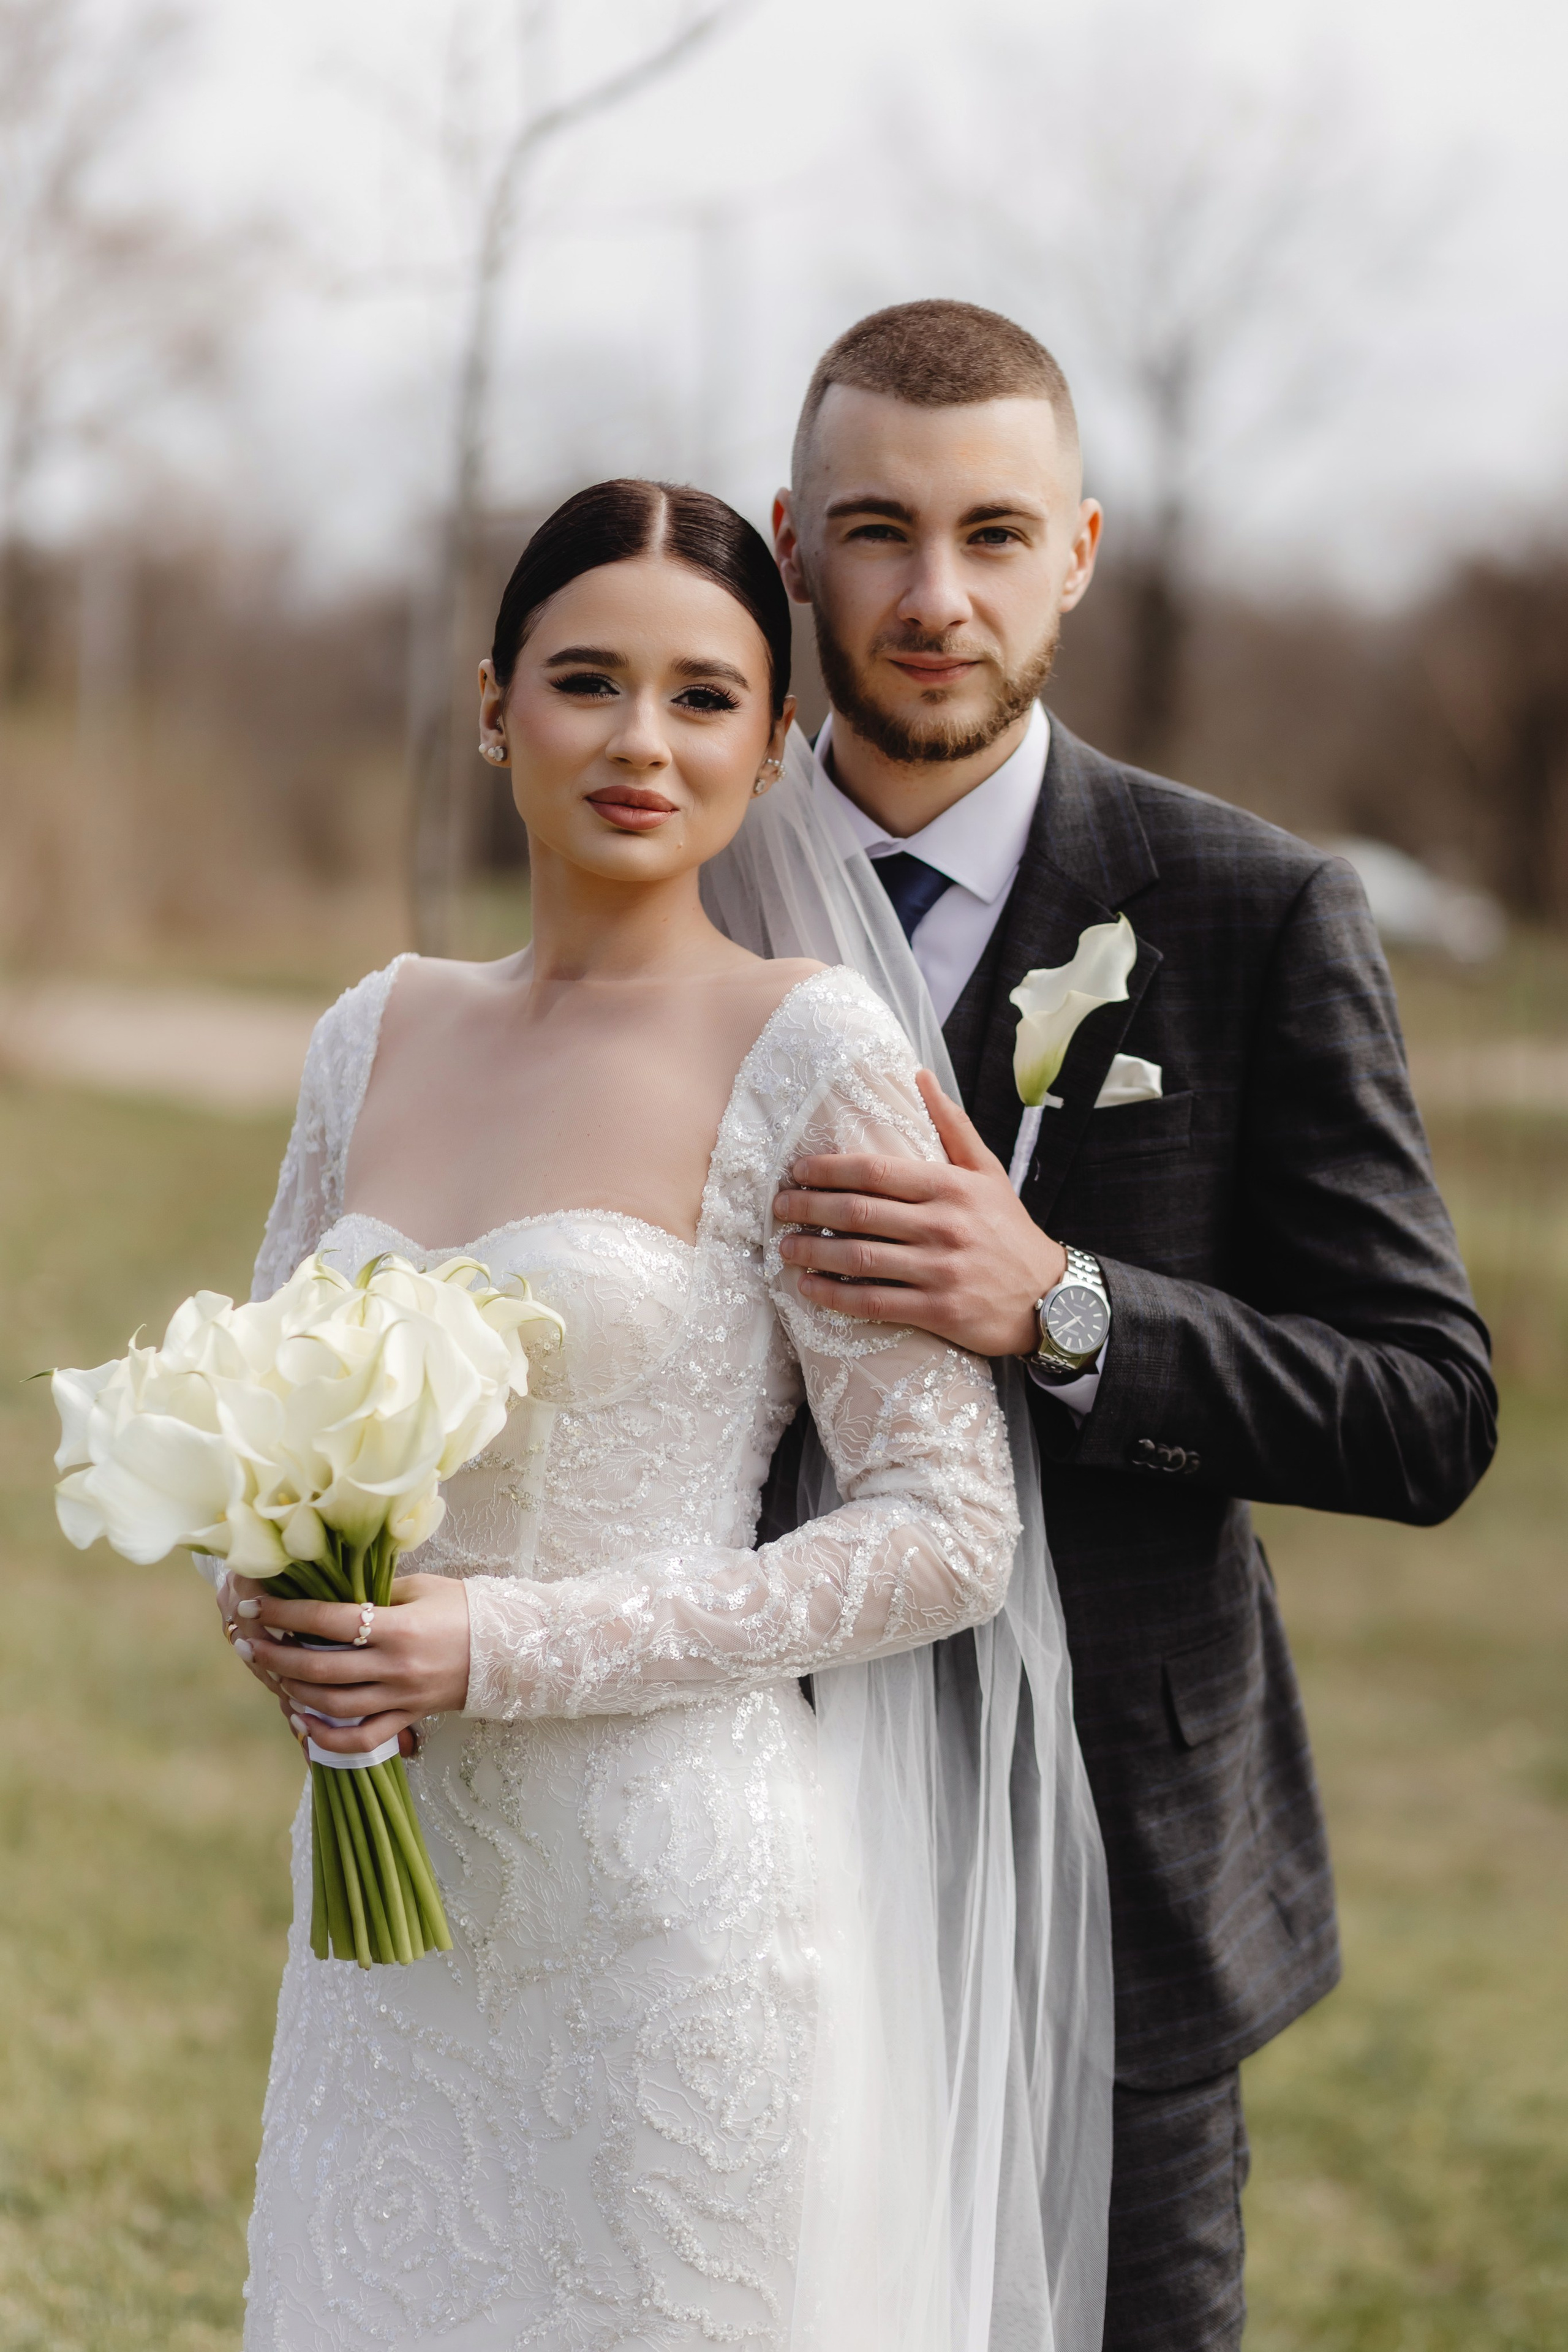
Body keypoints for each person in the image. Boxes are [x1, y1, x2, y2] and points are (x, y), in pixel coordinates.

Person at [217, 476, 1114, 2352]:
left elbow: (949, 1532)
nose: (643, 740)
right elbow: (257, 1427)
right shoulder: (367, 1032)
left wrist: (497, 1643)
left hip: (671, 1931)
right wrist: (275, 1600)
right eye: (587, 681)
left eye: (707, 697)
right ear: (491, 707)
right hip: (387, 1921)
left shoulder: (810, 1049)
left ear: (774, 744)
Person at [753, 300, 1498, 2352]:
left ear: (1079, 550)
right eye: (879, 530)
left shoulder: (1254, 911)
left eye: (995, 536)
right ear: (791, 541)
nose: (934, 596)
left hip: (1124, 1872)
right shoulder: (688, 904)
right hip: (742, 1850)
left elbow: (1426, 1411)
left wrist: (1063, 1308)